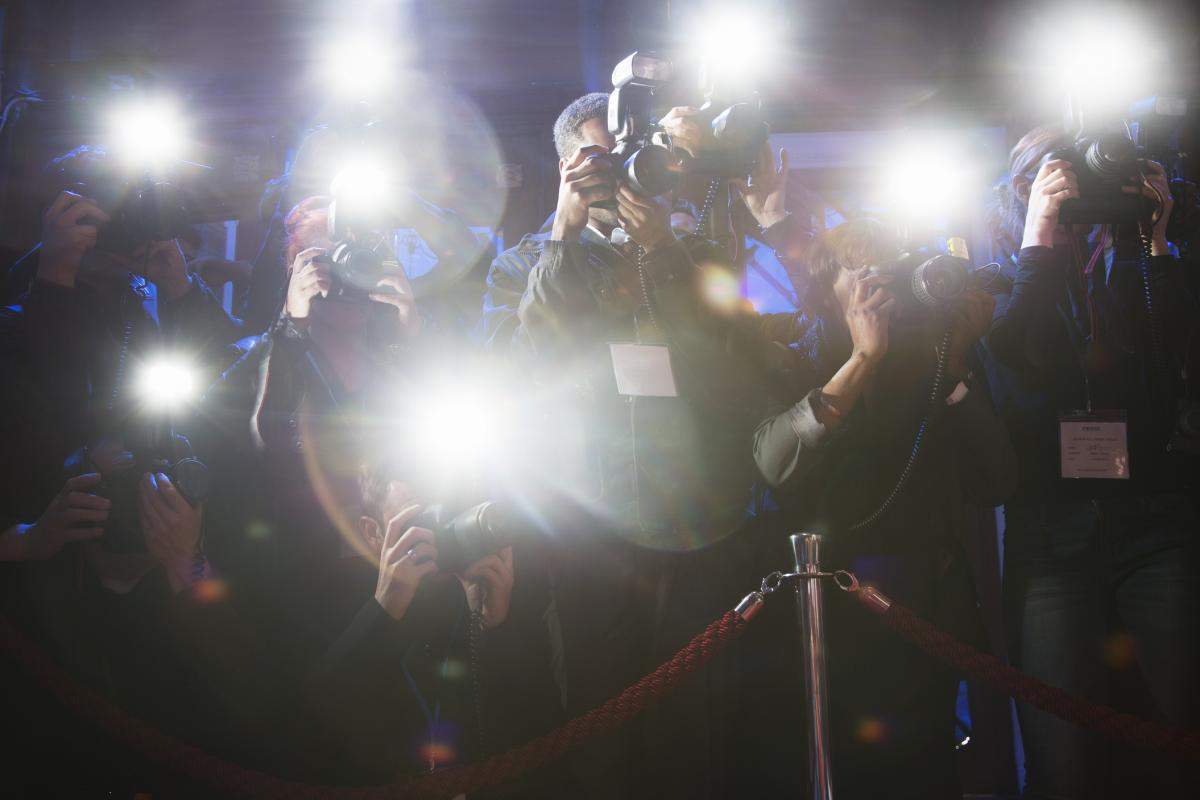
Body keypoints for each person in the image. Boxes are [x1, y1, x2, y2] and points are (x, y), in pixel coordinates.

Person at [480, 91, 779, 799]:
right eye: (600, 161)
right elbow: (518, 373)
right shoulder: (525, 264)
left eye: (630, 157)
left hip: (698, 529)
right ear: (566, 167)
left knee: (695, 735)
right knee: (598, 739)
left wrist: (662, 254)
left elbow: (733, 383)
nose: (621, 175)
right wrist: (565, 232)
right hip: (589, 533)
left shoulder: (697, 254)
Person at [748, 217, 1018, 799]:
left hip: (925, 601)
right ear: (828, 288)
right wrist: (863, 357)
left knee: (924, 767)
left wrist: (959, 365)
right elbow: (776, 463)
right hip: (831, 608)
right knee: (842, 765)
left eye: (888, 270)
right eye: (860, 270)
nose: (878, 285)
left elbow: (998, 479)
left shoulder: (932, 354)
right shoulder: (796, 348)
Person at [984, 125, 1200, 799]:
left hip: (1155, 519)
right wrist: (1040, 235)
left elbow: (1176, 357)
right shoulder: (995, 270)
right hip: (1051, 531)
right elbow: (1019, 362)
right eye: (1057, 179)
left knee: (1180, 735)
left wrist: (1154, 238)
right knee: (1061, 748)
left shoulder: (1134, 261)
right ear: (1022, 188)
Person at [305, 465, 562, 791]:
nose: (437, 536)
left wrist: (496, 629)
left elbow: (547, 737)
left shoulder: (492, 593)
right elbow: (315, 726)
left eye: (447, 515)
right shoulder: (341, 603)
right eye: (420, 523)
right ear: (373, 533)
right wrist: (383, 610)